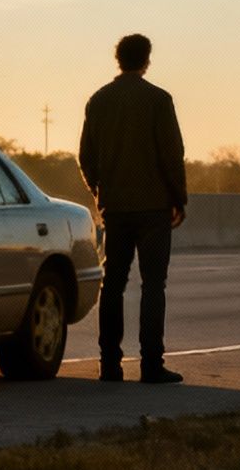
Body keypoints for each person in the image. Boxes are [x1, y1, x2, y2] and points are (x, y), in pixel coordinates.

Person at [77, 33, 187, 384]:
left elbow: (86, 157)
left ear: (118, 59)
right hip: (153, 207)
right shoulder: (158, 100)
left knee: (113, 285)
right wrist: (177, 198)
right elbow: (172, 154)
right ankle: (152, 364)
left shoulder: (98, 101)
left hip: (116, 208)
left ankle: (110, 364)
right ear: (147, 60)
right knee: (153, 285)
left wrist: (98, 192)